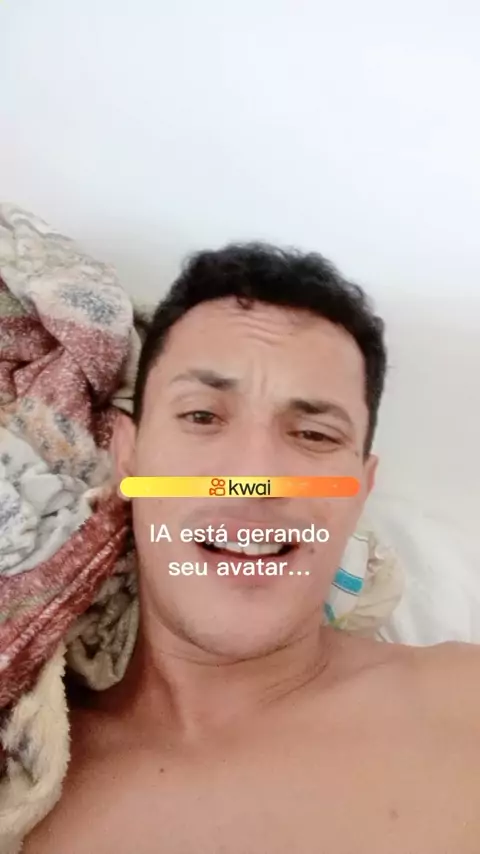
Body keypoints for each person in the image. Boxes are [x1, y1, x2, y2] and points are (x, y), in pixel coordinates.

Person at [25, 244, 480, 853]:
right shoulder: (23, 779)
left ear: (360, 489)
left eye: (314, 434)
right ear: (128, 457)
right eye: (202, 417)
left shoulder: (465, 713)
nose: (253, 476)